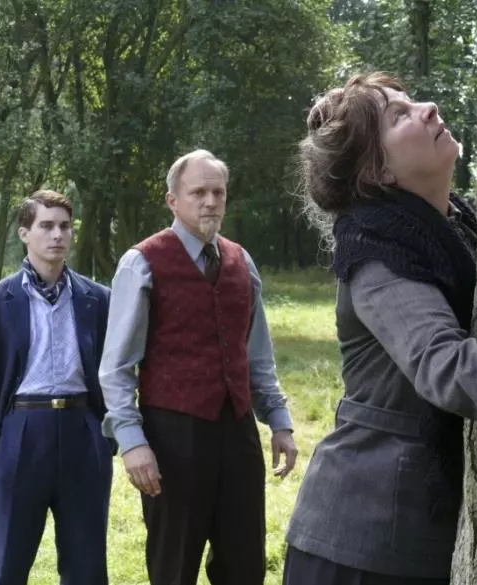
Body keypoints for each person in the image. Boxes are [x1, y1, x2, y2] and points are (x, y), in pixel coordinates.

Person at [282, 72, 477, 585]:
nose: (428, 108)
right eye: (399, 115)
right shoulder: (376, 252)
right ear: (377, 172)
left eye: (413, 102)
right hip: (363, 548)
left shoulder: (457, 225)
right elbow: (445, 366)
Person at [99, 149, 299, 585]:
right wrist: (132, 442)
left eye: (218, 192)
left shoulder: (241, 262)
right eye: (198, 192)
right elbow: (116, 367)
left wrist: (279, 421)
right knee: (174, 567)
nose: (210, 201)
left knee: (245, 567)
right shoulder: (142, 263)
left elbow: (257, 356)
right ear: (173, 200)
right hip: (173, 435)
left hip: (238, 433)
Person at [0, 190, 113, 585]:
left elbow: (115, 373)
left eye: (65, 226)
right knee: (9, 565)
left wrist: (105, 439)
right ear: (24, 233)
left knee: (87, 566)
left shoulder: (98, 299)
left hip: (83, 432)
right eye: (46, 226)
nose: (57, 235)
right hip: (20, 432)